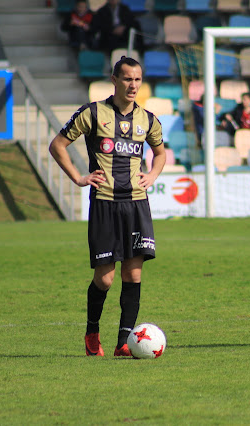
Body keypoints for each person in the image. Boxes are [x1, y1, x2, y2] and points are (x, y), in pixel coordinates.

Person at [49, 56, 166, 357]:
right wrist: (78, 177)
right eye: (127, 78)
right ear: (114, 80)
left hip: (137, 205)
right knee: (105, 278)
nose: (133, 85)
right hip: (104, 203)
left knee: (133, 274)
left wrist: (152, 174)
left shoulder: (148, 119)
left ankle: (123, 344)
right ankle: (92, 334)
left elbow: (161, 154)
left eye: (137, 79)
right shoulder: (92, 113)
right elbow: (57, 145)